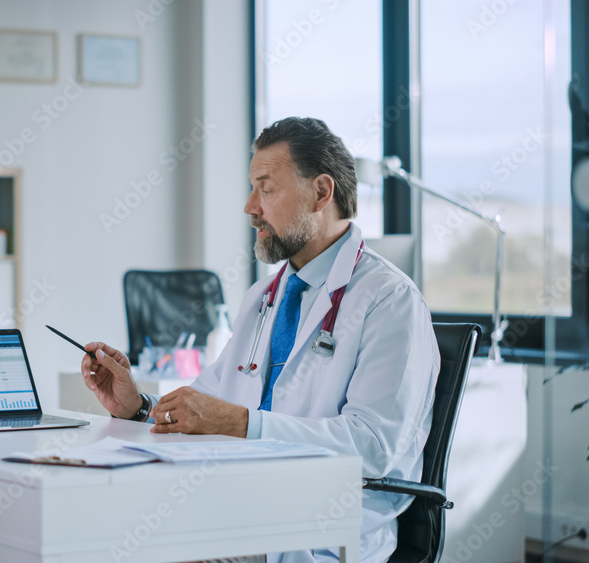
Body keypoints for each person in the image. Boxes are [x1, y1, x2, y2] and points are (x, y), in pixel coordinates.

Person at [81, 117, 439, 563]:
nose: (250, 206)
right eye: (253, 188)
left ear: (321, 193)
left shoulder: (389, 301)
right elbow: (207, 402)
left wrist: (241, 424)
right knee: (96, 527)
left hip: (320, 533)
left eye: (266, 189)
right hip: (241, 512)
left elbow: (373, 449)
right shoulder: (265, 296)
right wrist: (139, 406)